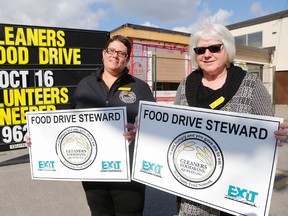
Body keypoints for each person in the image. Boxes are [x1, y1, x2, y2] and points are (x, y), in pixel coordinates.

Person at [27, 35, 155, 216]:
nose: (115, 56)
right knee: (99, 213)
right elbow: (65, 124)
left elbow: (155, 125)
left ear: (127, 59)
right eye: (111, 51)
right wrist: (38, 138)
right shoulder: (84, 85)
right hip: (93, 170)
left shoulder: (140, 88)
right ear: (103, 54)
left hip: (129, 170)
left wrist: (140, 131)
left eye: (121, 53)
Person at [174, 23, 288, 216]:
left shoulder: (251, 85)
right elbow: (174, 128)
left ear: (227, 49)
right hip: (193, 191)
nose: (207, 54)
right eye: (200, 50)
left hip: (237, 190)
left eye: (214, 48)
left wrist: (279, 134)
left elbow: (268, 131)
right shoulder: (185, 85)